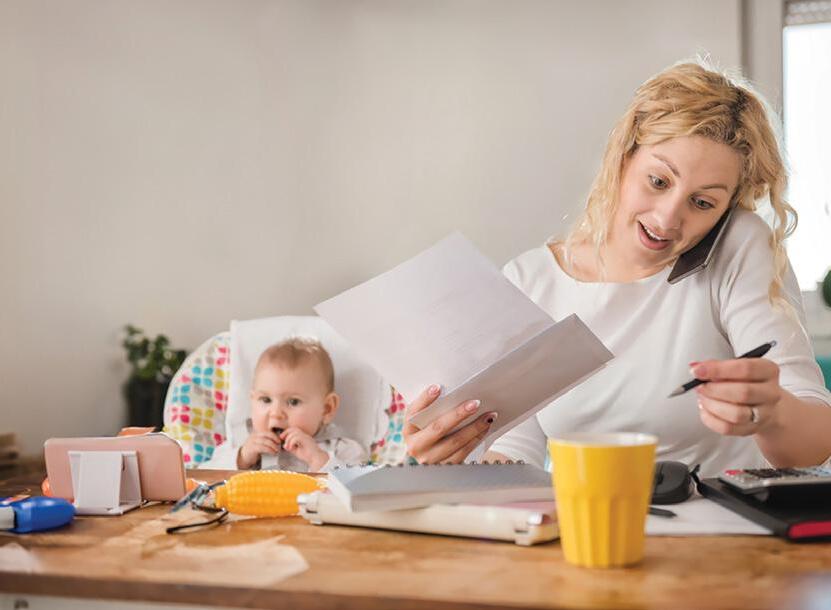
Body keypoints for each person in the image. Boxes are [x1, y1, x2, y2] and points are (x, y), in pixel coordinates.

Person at [403, 61, 831, 475]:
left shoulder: (737, 246)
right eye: (658, 181)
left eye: (702, 203)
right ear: (623, 157)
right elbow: (517, 454)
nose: (667, 218)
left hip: (717, 521)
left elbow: (814, 441)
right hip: (588, 517)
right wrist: (456, 460)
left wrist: (773, 413)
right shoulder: (530, 281)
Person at [235, 337, 367, 472]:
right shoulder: (244, 442)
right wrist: (242, 459)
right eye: (266, 400)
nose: (276, 413)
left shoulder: (344, 450)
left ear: (327, 409)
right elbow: (220, 471)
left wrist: (318, 460)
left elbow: (358, 481)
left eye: (293, 402)